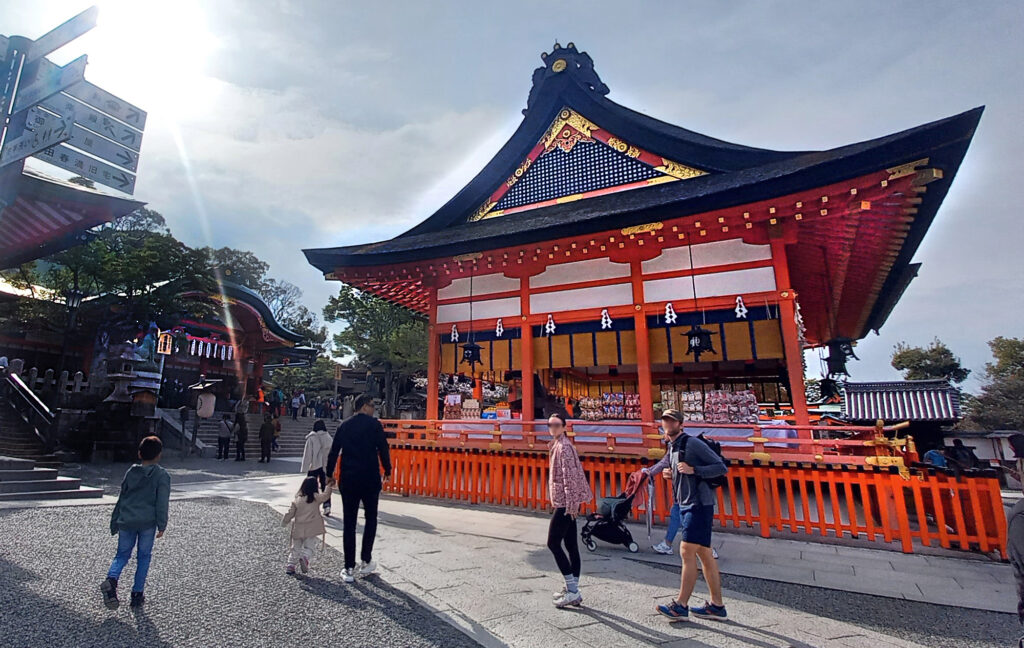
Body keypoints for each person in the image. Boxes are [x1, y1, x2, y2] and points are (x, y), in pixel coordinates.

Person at [655, 409, 729, 622]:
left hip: (698, 503)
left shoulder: (692, 443)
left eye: (672, 421)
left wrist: (694, 470)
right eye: (665, 420)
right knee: (704, 554)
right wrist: (671, 475)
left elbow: (720, 467)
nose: (668, 424)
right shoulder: (672, 446)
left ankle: (681, 605)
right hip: (686, 502)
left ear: (681, 424)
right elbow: (680, 471)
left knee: (686, 550)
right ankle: (717, 606)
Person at [326, 393, 391, 583]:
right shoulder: (375, 425)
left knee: (349, 522)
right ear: (363, 406)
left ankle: (348, 567)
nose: (373, 409)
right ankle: (366, 559)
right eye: (372, 405)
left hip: (349, 478)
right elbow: (383, 449)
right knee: (371, 519)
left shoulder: (344, 425)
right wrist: (387, 469)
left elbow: (334, 451)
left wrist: (329, 474)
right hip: (370, 478)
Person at [101, 436, 170, 610]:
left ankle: (112, 579)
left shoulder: (131, 472)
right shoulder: (162, 475)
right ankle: (137, 594)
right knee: (144, 557)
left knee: (122, 555)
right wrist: (162, 524)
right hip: (147, 521)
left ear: (140, 454)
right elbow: (162, 502)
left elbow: (122, 497)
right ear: (159, 455)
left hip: (127, 519)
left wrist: (115, 520)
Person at [644, 420, 720, 561]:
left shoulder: (686, 445)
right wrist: (651, 472)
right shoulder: (674, 446)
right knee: (678, 517)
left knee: (693, 522)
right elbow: (667, 464)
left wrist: (649, 472)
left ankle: (707, 549)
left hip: (694, 493)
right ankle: (669, 544)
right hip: (682, 492)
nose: (664, 435)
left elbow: (718, 467)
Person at [546, 413, 592, 609]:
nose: (553, 428)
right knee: (571, 544)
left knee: (553, 543)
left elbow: (569, 477)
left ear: (564, 427)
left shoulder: (564, 447)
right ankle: (572, 587)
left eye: (557, 425)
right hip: (567, 500)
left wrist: (572, 504)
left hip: (566, 502)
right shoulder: (559, 444)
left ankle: (573, 590)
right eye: (550, 425)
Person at [282, 476, 334, 575]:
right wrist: (328, 486)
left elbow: (290, 513)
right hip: (311, 528)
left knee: (295, 548)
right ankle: (305, 557)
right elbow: (326, 495)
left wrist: (284, 522)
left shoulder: (297, 499)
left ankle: (291, 565)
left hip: (298, 528)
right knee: (309, 547)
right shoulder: (316, 498)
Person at [301, 419, 334, 516]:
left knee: (311, 486)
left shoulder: (311, 438)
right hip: (325, 465)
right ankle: (327, 506)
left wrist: (305, 467)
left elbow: (307, 454)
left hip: (314, 465)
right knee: (325, 486)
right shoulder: (328, 437)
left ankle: (312, 506)